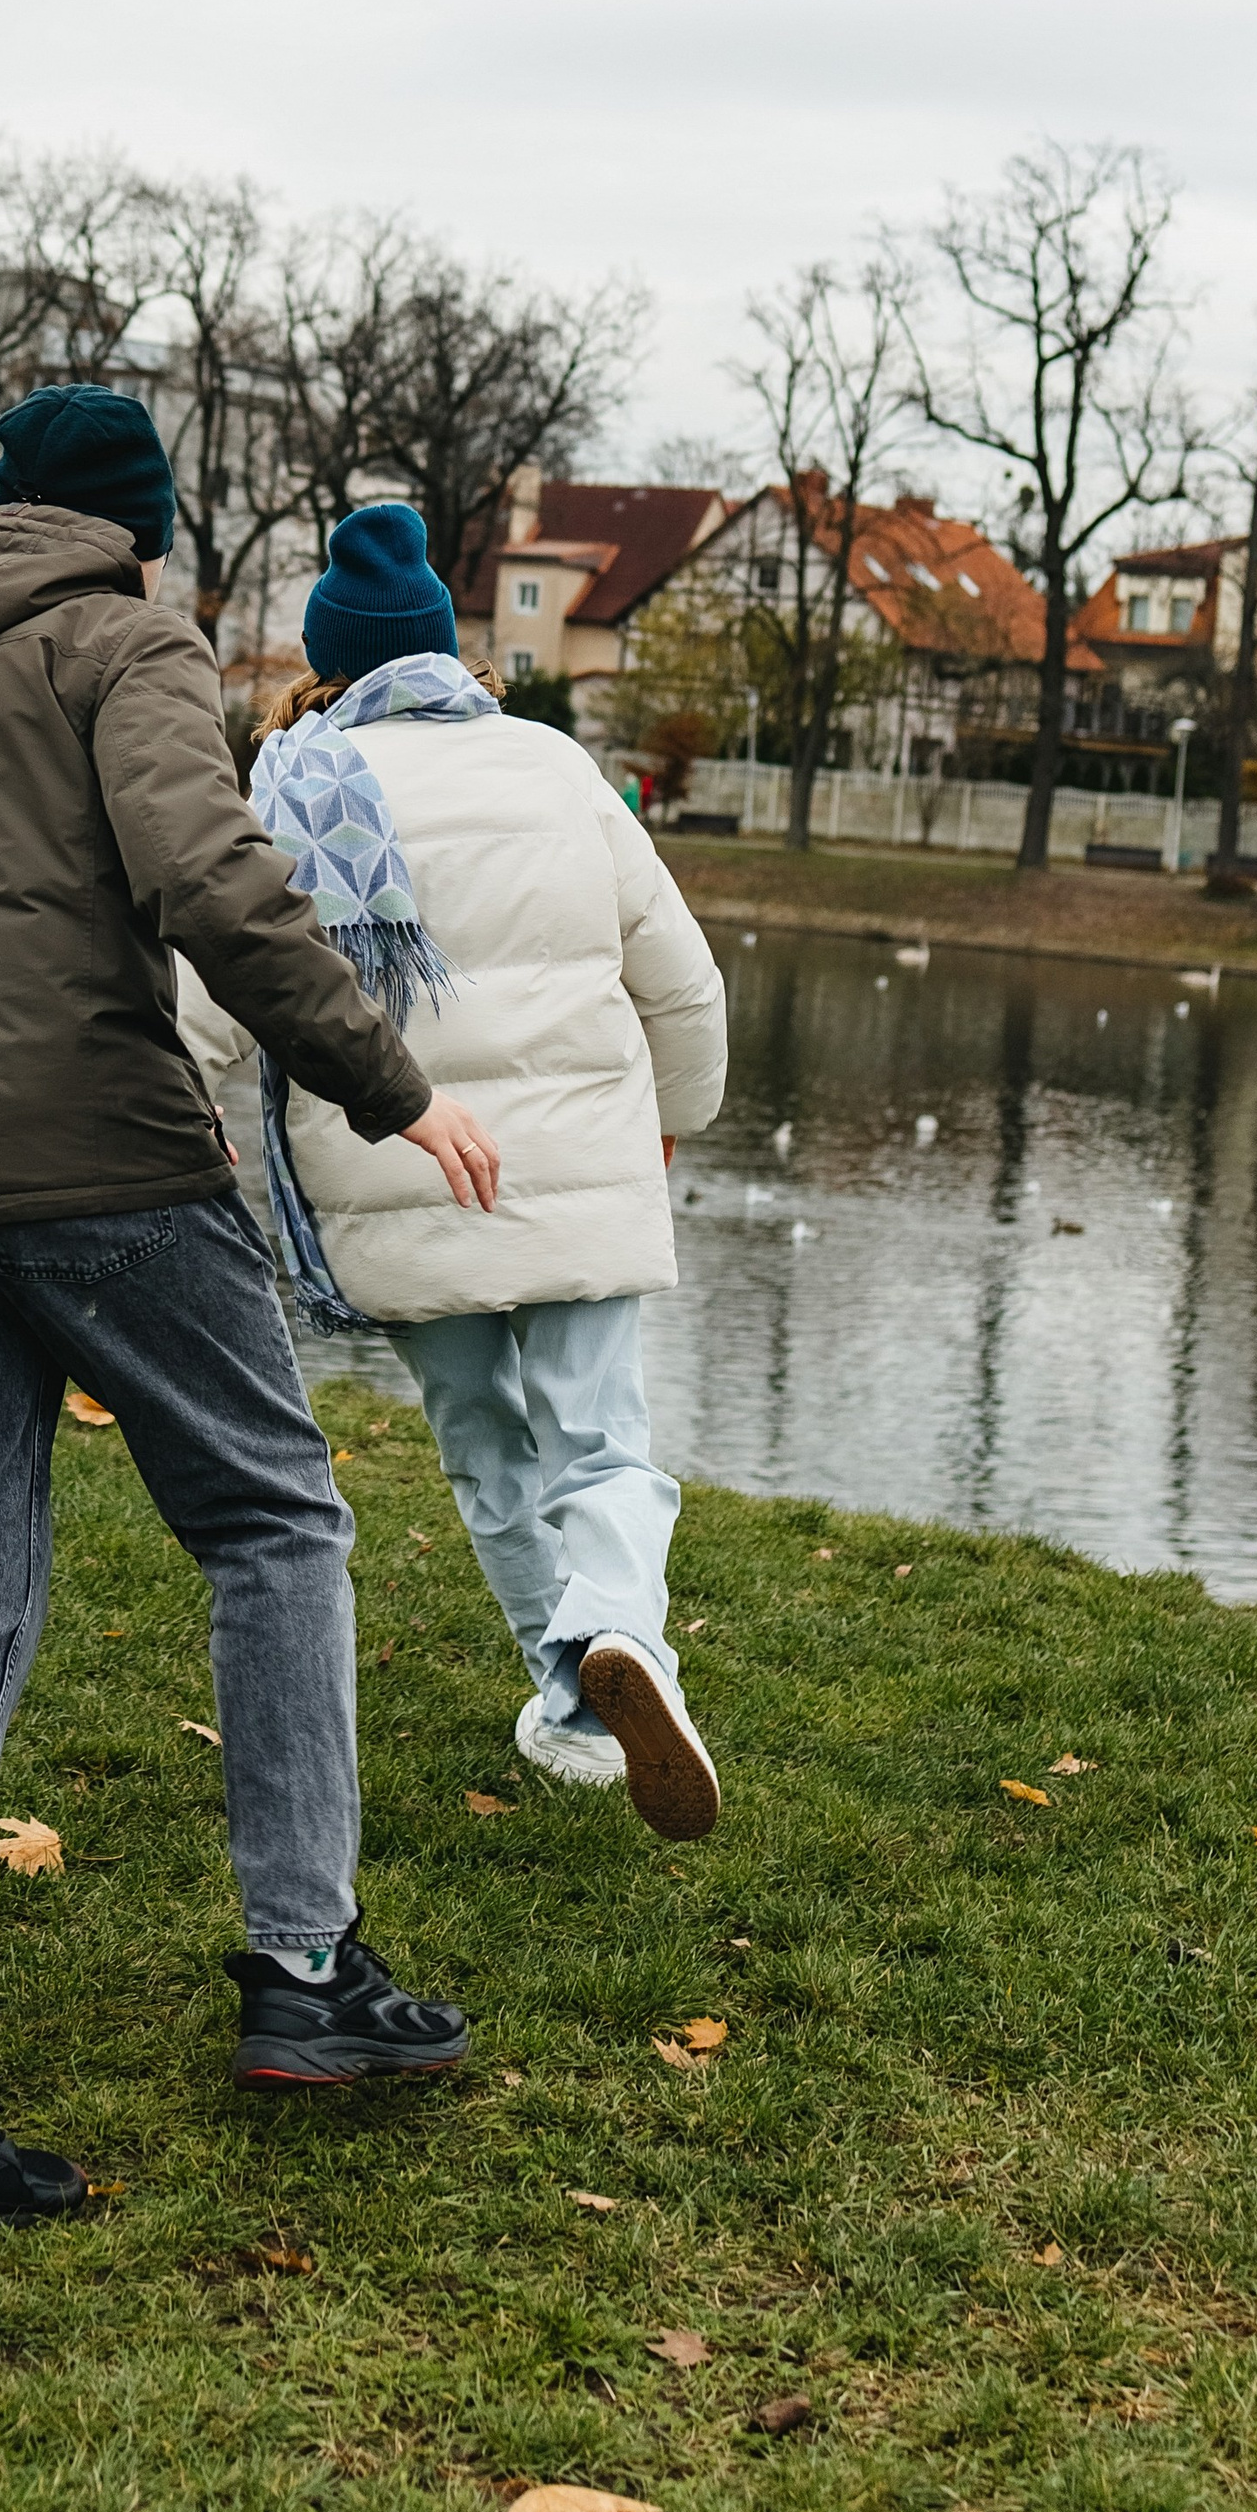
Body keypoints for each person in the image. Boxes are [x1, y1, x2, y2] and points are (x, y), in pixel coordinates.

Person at [0, 388, 500, 2225]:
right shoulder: (126, 636)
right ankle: (307, 1972)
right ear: (141, 523)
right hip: (85, 1154)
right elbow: (210, 875)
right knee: (273, 1518)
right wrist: (393, 1082)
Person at [180, 502, 728, 1838]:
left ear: (328, 660)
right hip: (578, 1165)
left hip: (399, 1177)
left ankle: (573, 1696)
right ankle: (618, 1644)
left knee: (484, 1439)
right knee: (600, 1435)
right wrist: (678, 1121)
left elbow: (206, 1012)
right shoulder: (554, 768)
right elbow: (683, 980)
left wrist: (187, 1126)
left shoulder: (286, 790)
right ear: (447, 650)